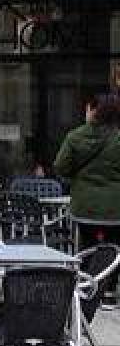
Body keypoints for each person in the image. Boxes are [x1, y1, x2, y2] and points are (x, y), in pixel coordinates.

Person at [55, 92, 120, 250]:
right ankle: (110, 273)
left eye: (87, 109)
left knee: (86, 250)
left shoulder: (74, 137)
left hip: (84, 209)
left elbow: (60, 167)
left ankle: (87, 274)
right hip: (115, 209)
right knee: (114, 253)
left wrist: (76, 176)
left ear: (92, 111)